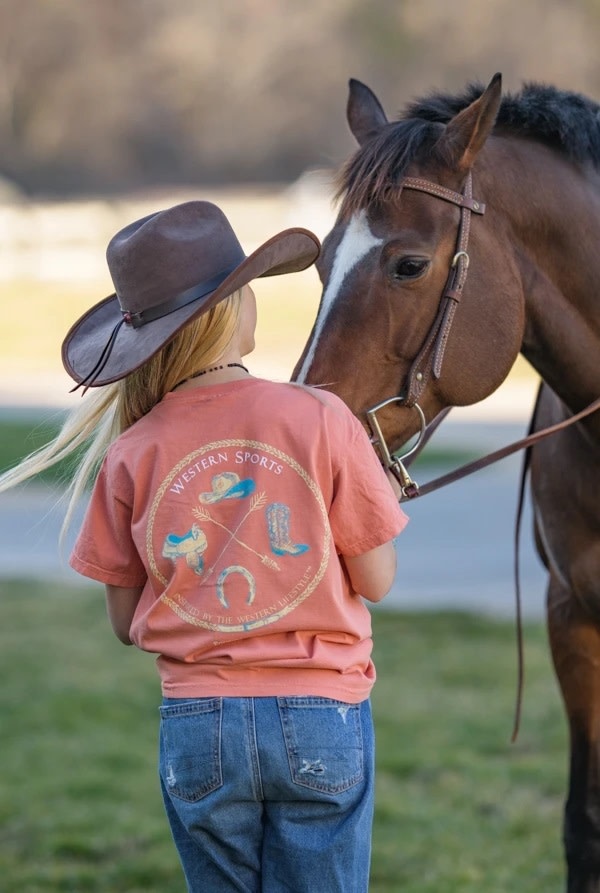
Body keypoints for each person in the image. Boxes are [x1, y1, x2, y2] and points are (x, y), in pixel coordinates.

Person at [1, 200, 408, 892]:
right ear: (232, 310)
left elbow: (126, 624)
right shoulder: (320, 417)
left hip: (199, 727)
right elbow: (377, 580)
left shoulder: (132, 450)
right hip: (320, 715)